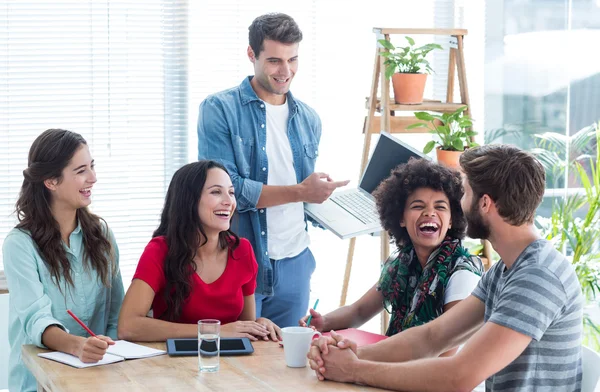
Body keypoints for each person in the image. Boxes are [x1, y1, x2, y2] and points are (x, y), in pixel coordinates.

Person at [307, 144, 583, 392]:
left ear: (484, 203)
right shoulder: (506, 269)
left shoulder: (537, 276)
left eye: (465, 193)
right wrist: (356, 354)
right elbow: (432, 337)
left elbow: (459, 376)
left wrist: (355, 371)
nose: (459, 204)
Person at [197, 12, 348, 328]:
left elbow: (302, 198)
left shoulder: (308, 119)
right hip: (239, 259)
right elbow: (227, 191)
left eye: (293, 59)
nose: (286, 71)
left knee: (286, 365)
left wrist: (339, 210)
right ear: (252, 55)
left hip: (295, 262)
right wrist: (301, 192)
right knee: (233, 363)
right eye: (275, 60)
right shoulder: (220, 109)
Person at [300, 159, 482, 351]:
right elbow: (359, 311)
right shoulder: (402, 263)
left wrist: (362, 360)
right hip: (398, 366)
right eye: (418, 206)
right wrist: (323, 322)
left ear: (452, 219)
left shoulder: (462, 273)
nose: (430, 213)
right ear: (401, 219)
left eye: (440, 207)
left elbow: (448, 353)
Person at [3, 129, 124, 392]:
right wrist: (78, 346)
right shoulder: (19, 245)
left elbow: (117, 310)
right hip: (39, 385)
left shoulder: (102, 236)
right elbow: (37, 319)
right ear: (51, 181)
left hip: (100, 377)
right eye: (81, 170)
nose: (93, 178)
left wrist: (109, 350)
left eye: (92, 167)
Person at [118, 160, 281, 342]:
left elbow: (244, 325)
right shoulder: (160, 250)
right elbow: (128, 326)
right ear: (189, 200)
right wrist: (212, 331)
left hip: (231, 362)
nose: (229, 202)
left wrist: (260, 324)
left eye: (231, 192)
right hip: (172, 363)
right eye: (216, 192)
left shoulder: (242, 250)